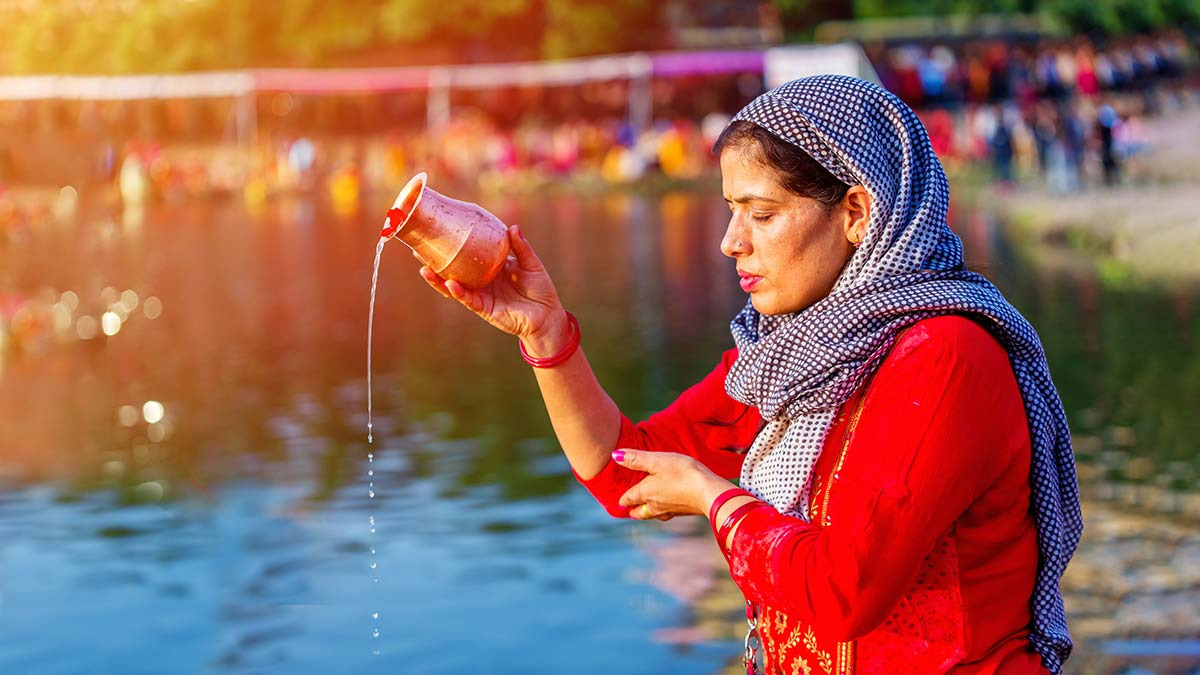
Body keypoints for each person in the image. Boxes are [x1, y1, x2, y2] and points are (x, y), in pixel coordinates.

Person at [415, 75, 1081, 674]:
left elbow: (843, 590)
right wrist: (547, 333)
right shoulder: (786, 357)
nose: (731, 240)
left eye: (761, 215)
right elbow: (623, 473)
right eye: (732, 210)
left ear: (855, 213)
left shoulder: (945, 356)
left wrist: (714, 497)